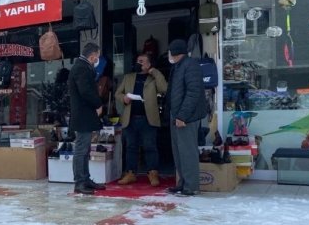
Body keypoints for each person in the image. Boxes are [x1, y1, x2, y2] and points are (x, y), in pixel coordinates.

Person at [115, 53, 167, 186]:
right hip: (130, 118)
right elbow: (117, 93)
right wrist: (124, 98)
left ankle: (153, 174)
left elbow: (164, 88)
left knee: (150, 147)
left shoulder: (153, 78)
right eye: (138, 61)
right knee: (131, 147)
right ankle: (131, 173)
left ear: (149, 63)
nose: (139, 63)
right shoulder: (128, 77)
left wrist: (153, 71)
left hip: (148, 118)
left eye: (142, 61)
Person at [165, 38, 206, 196]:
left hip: (185, 117)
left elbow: (193, 93)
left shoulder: (190, 66)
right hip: (176, 115)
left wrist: (182, 116)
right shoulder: (178, 67)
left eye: (170, 52)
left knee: (188, 152)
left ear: (175, 53)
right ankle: (182, 182)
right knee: (178, 151)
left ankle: (191, 186)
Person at [67, 42, 105, 195]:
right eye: (97, 55)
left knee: (85, 149)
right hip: (83, 114)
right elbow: (86, 91)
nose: (98, 59)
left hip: (84, 114)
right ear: (92, 55)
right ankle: (79, 181)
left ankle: (85, 178)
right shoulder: (81, 68)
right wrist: (98, 104)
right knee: (81, 149)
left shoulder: (82, 66)